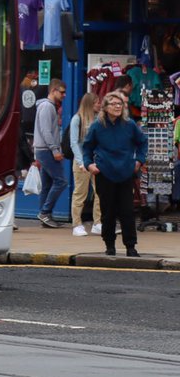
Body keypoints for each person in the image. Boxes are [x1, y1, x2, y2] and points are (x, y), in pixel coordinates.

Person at [81, 93, 148, 257]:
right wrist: (89, 164)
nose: (118, 106)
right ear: (105, 107)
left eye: (120, 104)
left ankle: (131, 247)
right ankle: (109, 245)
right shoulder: (97, 126)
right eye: (113, 104)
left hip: (125, 173)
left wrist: (139, 160)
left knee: (127, 211)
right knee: (108, 212)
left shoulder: (129, 124)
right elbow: (87, 148)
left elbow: (143, 142)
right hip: (105, 174)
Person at [32, 78, 68, 228]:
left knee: (47, 184)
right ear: (53, 91)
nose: (64, 95)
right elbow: (46, 131)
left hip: (43, 149)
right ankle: (45, 212)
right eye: (62, 92)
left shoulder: (48, 106)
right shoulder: (47, 107)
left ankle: (45, 215)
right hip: (46, 150)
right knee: (61, 181)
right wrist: (55, 150)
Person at [68, 92, 103, 237]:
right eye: (97, 102)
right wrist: (81, 162)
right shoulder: (77, 119)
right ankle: (77, 224)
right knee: (80, 193)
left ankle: (98, 223)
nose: (100, 104)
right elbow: (74, 143)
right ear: (90, 104)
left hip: (96, 161)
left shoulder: (98, 119)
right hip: (82, 162)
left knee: (100, 192)